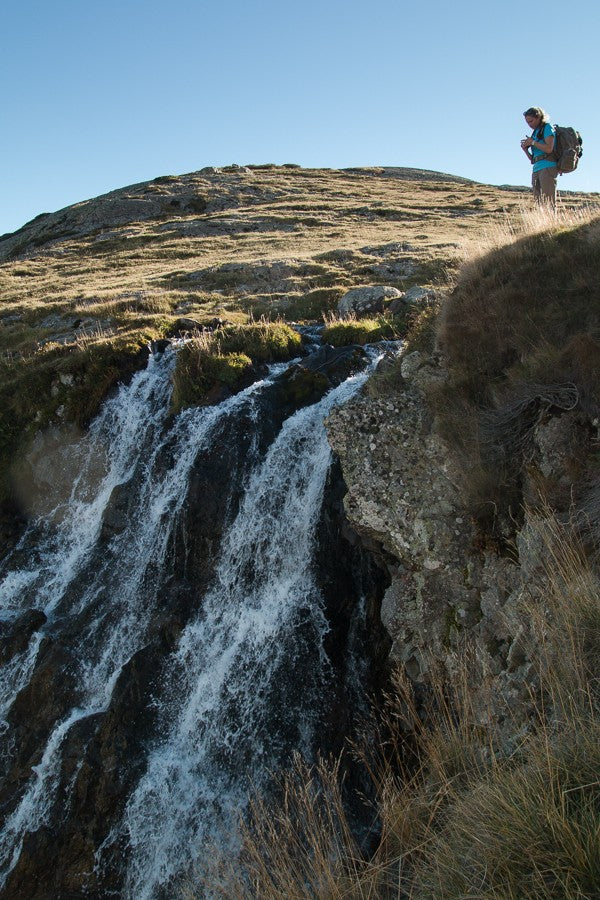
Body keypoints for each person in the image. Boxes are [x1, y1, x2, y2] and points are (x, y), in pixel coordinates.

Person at [520, 107, 557, 207]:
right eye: (527, 122)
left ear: (539, 117)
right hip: (536, 168)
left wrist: (532, 142)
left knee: (548, 200)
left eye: (531, 121)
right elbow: (533, 160)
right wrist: (525, 150)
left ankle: (551, 221)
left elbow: (549, 148)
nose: (529, 125)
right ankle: (543, 220)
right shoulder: (535, 133)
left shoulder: (547, 128)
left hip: (548, 167)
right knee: (538, 201)